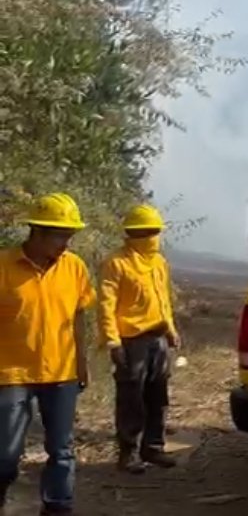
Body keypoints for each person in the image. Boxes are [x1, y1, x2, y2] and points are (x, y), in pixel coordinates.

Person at [0, 194, 95, 515]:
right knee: (6, 455)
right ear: (36, 232)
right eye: (59, 236)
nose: (66, 244)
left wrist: (81, 362)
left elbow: (78, 317)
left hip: (62, 372)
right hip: (12, 374)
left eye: (70, 236)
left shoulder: (75, 268)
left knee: (62, 450)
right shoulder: (4, 267)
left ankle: (58, 507)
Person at [98, 204, 180, 475]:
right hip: (132, 342)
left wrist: (170, 330)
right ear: (134, 233)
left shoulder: (159, 262)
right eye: (149, 232)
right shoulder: (116, 263)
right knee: (131, 398)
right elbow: (106, 305)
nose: (154, 237)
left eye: (156, 231)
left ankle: (153, 448)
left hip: (158, 340)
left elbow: (162, 299)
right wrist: (113, 342)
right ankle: (128, 452)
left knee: (158, 395)